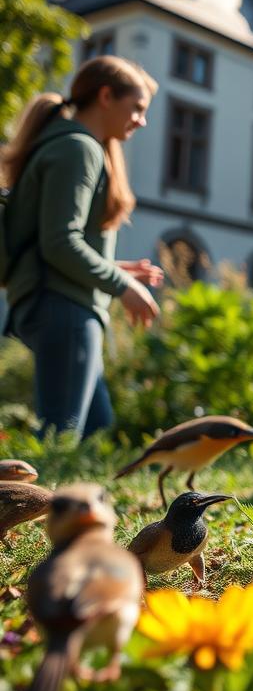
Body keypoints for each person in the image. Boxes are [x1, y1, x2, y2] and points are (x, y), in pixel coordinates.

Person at [0, 56, 163, 439]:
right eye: (136, 108)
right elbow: (59, 243)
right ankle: (36, 502)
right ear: (106, 96)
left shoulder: (67, 143)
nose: (141, 121)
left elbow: (51, 241)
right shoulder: (79, 149)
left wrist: (116, 268)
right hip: (64, 308)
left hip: (60, 302)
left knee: (94, 431)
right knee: (60, 439)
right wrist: (124, 287)